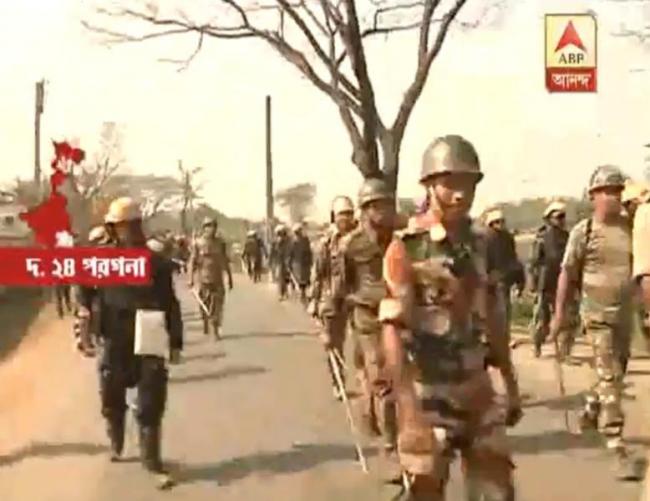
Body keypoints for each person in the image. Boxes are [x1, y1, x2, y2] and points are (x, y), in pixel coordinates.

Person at [381, 135, 516, 499]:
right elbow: (391, 330)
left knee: (497, 490)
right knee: (425, 489)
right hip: (426, 392)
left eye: (468, 184)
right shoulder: (407, 246)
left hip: (477, 389)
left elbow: (494, 313)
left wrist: (510, 382)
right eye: (450, 183)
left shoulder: (482, 242)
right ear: (429, 186)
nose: (460, 194)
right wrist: (407, 410)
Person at [76, 197, 183, 489]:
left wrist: (175, 341)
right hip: (113, 335)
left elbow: (170, 303)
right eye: (122, 226)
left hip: (148, 334)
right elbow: (82, 285)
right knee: (111, 395)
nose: (128, 232)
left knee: (151, 402)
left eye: (132, 225)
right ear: (113, 229)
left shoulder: (156, 262)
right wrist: (85, 308)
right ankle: (116, 440)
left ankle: (152, 462)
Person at [551, 165, 639, 479]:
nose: (613, 197)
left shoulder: (633, 228)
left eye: (617, 191)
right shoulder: (584, 231)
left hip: (624, 316)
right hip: (596, 316)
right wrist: (559, 315)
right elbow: (566, 273)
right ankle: (617, 445)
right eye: (607, 192)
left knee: (614, 374)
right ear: (593, 196)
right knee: (611, 379)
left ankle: (591, 406)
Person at [332, 178, 399, 471]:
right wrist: (329, 326)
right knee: (381, 376)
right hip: (367, 318)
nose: (382, 211)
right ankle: (390, 443)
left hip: (399, 314)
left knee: (405, 377)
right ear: (365, 209)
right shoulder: (351, 245)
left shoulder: (402, 239)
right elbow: (340, 287)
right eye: (375, 206)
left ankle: (389, 421)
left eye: (386, 204)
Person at [310, 195, 357, 400]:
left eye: (349, 214)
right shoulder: (327, 243)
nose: (345, 218)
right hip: (333, 299)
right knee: (333, 344)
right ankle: (338, 383)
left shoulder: (361, 238)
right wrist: (314, 301)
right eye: (341, 214)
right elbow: (318, 274)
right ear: (333, 217)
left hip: (357, 299)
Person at [529, 201, 571, 357]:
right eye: (558, 217)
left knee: (565, 317)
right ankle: (537, 344)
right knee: (541, 318)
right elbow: (534, 262)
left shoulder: (567, 237)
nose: (561, 220)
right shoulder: (541, 237)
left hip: (563, 281)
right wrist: (533, 282)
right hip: (545, 282)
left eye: (563, 217)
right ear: (550, 218)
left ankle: (563, 351)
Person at [188, 217, 233, 340]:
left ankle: (215, 328)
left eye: (213, 226)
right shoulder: (198, 243)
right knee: (204, 305)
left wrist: (229, 277)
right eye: (208, 226)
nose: (211, 229)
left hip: (217, 279)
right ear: (204, 228)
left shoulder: (220, 243)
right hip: (203, 279)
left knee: (217, 305)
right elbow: (192, 261)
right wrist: (190, 278)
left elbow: (225, 260)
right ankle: (205, 321)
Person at [289, 222, 313, 305]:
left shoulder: (305, 240)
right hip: (297, 263)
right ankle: (302, 294)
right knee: (299, 279)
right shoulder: (293, 241)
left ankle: (303, 294)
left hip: (303, 262)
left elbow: (309, 251)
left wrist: (310, 260)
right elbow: (290, 253)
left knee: (304, 279)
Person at [270, 225, 292, 300]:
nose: (280, 235)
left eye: (282, 233)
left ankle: (285, 292)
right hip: (279, 262)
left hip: (287, 261)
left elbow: (291, 250)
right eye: (279, 233)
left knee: (286, 278)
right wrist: (271, 261)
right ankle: (281, 293)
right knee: (280, 278)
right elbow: (272, 252)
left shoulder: (288, 241)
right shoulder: (275, 242)